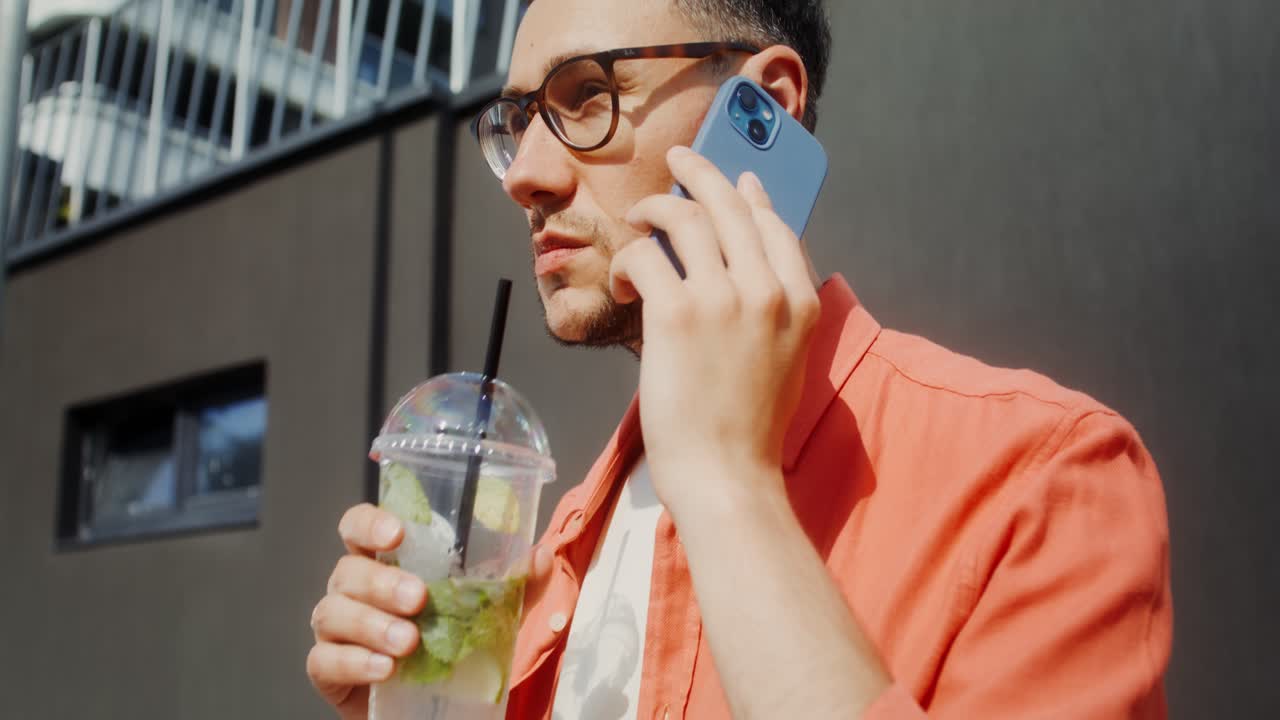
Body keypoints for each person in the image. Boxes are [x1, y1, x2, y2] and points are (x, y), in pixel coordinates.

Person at [306, 1, 1173, 718]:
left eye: (583, 96)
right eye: (517, 121)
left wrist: (729, 484)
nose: (524, 174)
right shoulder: (556, 547)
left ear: (765, 109)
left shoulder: (1041, 481)